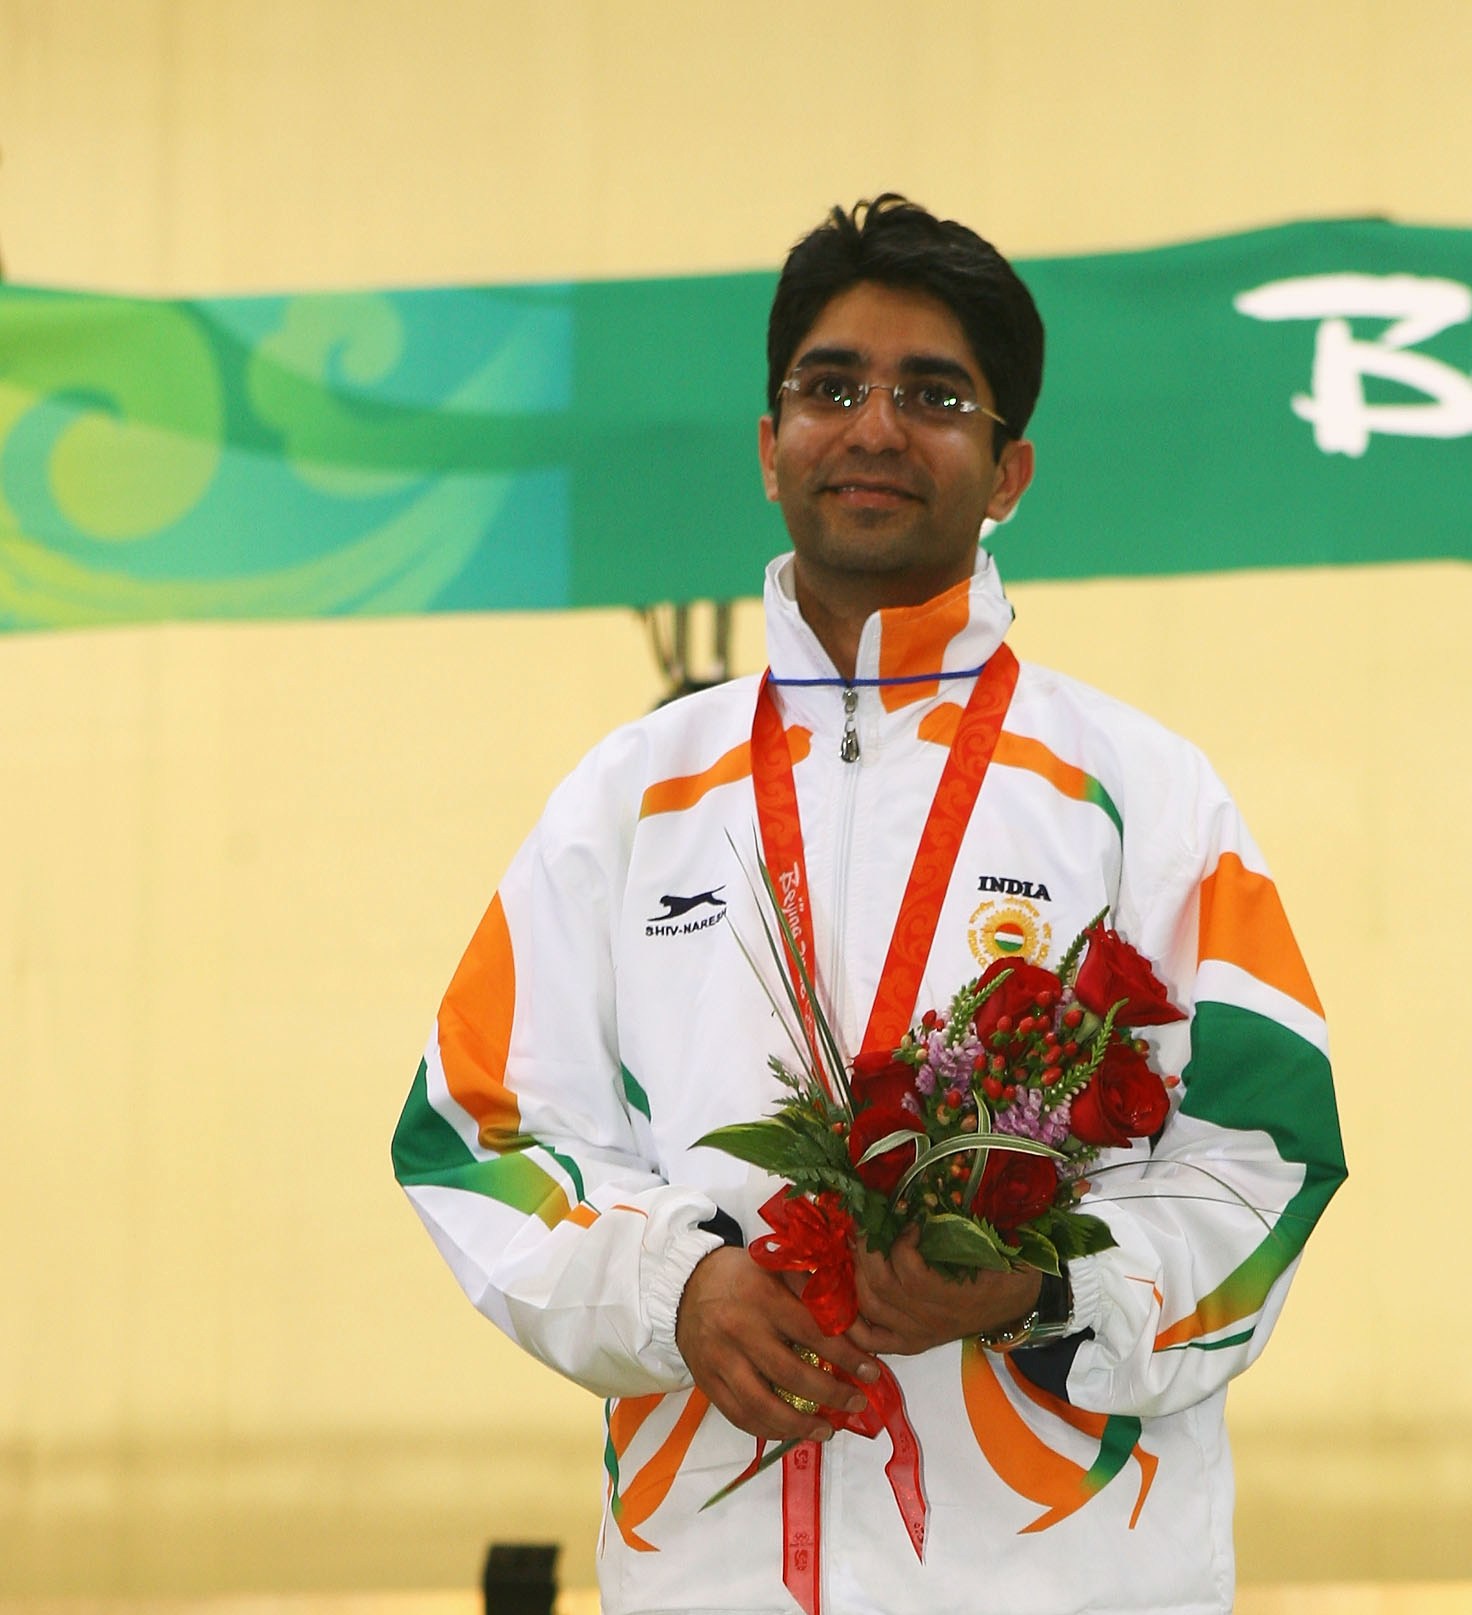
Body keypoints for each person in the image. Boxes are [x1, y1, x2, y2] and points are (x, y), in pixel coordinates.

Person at [393, 195, 1345, 1615]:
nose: (876, 427)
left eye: (935, 395)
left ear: (1009, 468)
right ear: (770, 444)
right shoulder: (633, 798)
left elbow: (1265, 1164)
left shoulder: (1145, 795)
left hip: (1069, 1584)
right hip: (712, 1585)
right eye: (830, 387)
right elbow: (477, 1134)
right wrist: (673, 1289)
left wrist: (1048, 1292)